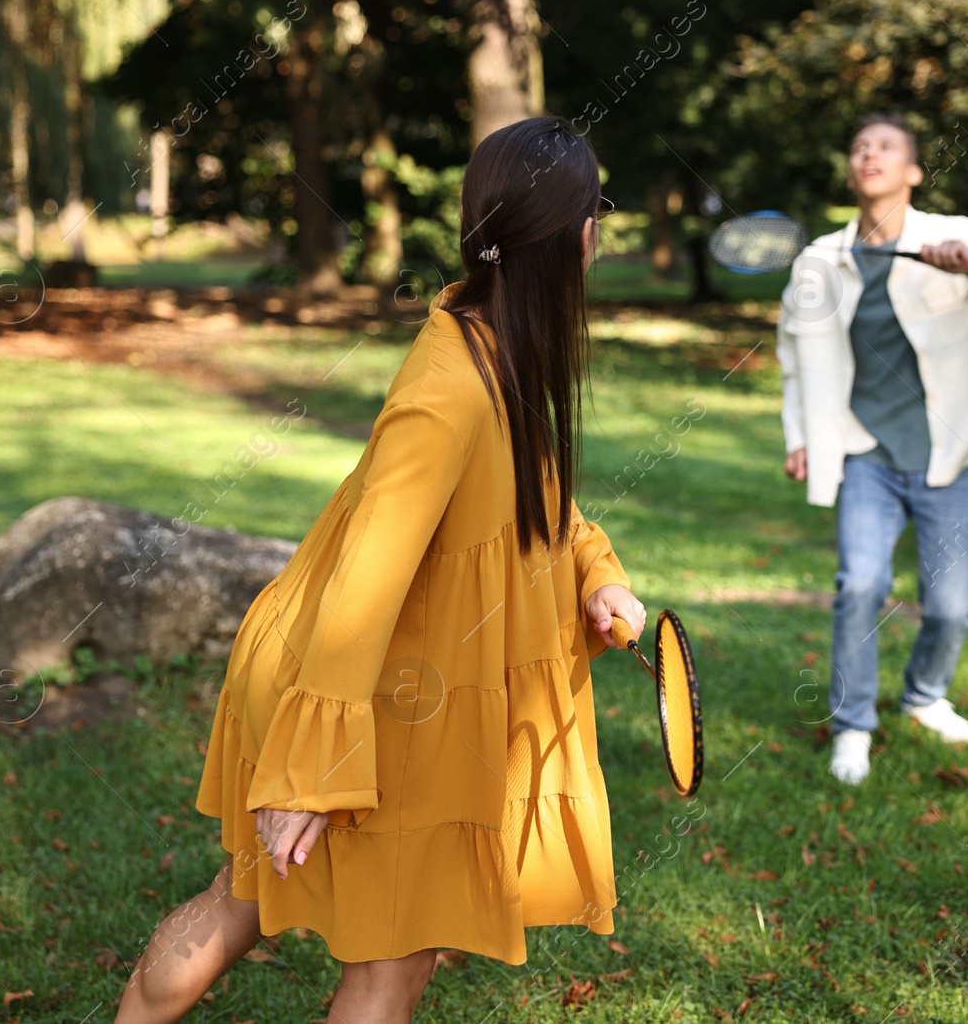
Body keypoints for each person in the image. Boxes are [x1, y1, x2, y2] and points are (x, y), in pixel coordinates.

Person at [114, 117, 645, 1024]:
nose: (602, 230)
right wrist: (314, 769)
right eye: (597, 210)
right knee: (388, 966)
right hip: (367, 693)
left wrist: (595, 571)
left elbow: (544, 502)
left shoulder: (496, 344)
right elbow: (368, 575)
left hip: (389, 681)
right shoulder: (452, 389)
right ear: (570, 234)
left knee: (245, 898)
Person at [776, 113, 968, 786]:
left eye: (886, 147)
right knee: (860, 584)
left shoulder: (957, 238)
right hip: (863, 451)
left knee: (951, 604)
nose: (870, 154)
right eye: (860, 145)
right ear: (852, 168)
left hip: (946, 454)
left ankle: (926, 695)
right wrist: (801, 435)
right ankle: (852, 724)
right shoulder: (819, 260)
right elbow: (792, 356)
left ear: (913, 171)